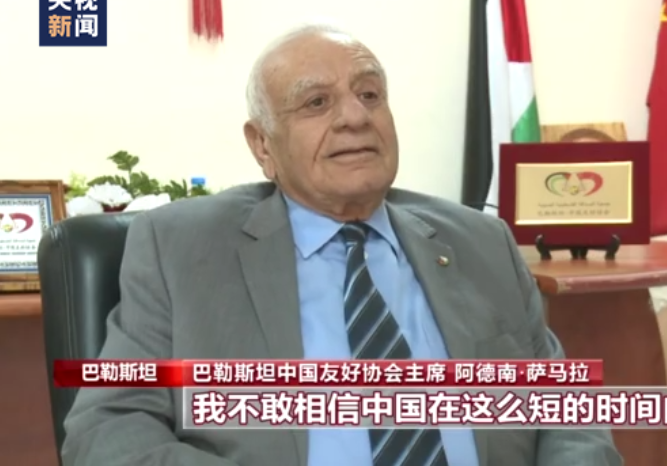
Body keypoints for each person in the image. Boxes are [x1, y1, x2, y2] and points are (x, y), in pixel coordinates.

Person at [61, 24, 622, 466]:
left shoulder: (481, 241)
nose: (355, 116)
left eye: (370, 94)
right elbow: (108, 429)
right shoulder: (180, 250)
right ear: (262, 146)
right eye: (315, 103)